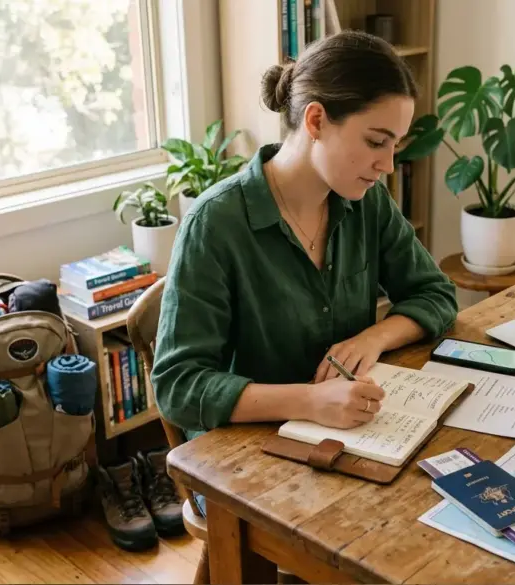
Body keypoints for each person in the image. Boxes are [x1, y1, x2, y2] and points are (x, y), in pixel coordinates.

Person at [151, 29, 458, 441]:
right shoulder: (216, 223)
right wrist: (310, 401)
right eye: (375, 142)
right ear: (316, 120)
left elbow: (436, 294)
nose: (387, 164)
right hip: (242, 454)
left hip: (348, 433)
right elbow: (178, 387)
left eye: (395, 146)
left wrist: (374, 337)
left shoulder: (367, 200)